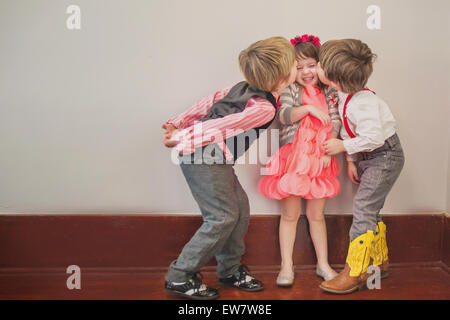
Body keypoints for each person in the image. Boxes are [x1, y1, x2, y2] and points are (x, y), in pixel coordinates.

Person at [162, 36, 297, 300]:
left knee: (240, 210)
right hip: (203, 155)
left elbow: (209, 101)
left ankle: (230, 269)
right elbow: (219, 125)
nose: (297, 66)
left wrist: (179, 122)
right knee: (222, 217)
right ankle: (180, 275)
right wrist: (180, 133)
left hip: (214, 157)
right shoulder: (263, 108)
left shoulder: (241, 87)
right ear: (282, 76)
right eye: (294, 63)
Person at [316, 39, 405, 294]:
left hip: (385, 156)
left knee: (364, 209)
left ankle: (354, 271)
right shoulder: (345, 94)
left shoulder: (363, 102)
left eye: (320, 65)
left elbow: (374, 138)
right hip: (368, 157)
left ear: (334, 77)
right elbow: (347, 128)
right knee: (371, 209)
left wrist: (343, 148)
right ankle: (379, 261)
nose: (318, 68)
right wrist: (353, 161)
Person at [258, 34, 341, 287]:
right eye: (299, 66)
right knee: (290, 214)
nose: (306, 71)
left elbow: (336, 121)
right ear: (290, 69)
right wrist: (307, 109)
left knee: (317, 215)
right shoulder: (289, 89)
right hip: (294, 159)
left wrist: (329, 149)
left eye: (311, 65)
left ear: (320, 65)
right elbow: (283, 115)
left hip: (319, 159)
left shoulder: (329, 92)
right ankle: (286, 265)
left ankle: (323, 264)